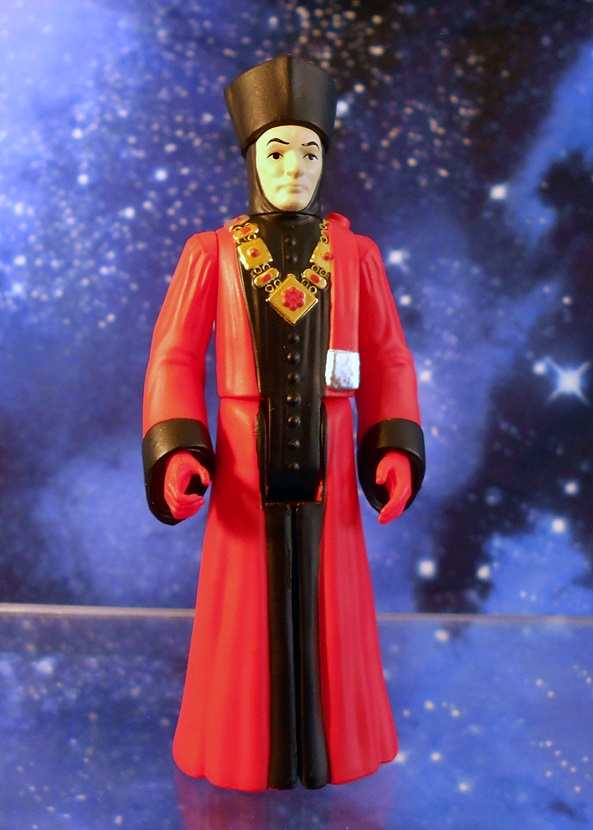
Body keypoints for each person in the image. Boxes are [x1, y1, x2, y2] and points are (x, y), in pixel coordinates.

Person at [142, 55, 425, 791]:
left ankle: (340, 746)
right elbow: (174, 357)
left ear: (325, 162)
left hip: (332, 450)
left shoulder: (357, 256)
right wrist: (180, 449)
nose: (293, 167)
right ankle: (238, 748)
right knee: (243, 606)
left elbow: (389, 357)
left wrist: (392, 443)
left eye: (309, 152)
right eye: (276, 151)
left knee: (336, 602)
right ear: (251, 159)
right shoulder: (210, 254)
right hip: (241, 460)